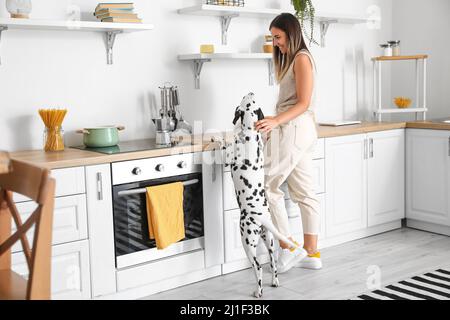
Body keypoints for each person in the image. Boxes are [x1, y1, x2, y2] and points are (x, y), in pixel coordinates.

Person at [255, 13, 322, 274]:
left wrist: (275, 122)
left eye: (278, 37)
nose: (275, 43)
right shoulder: (293, 60)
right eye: (273, 38)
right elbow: (295, 103)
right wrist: (274, 120)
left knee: (268, 187)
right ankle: (312, 253)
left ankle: (288, 246)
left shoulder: (301, 58)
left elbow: (303, 103)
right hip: (298, 130)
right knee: (304, 193)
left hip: (294, 129)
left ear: (291, 33)